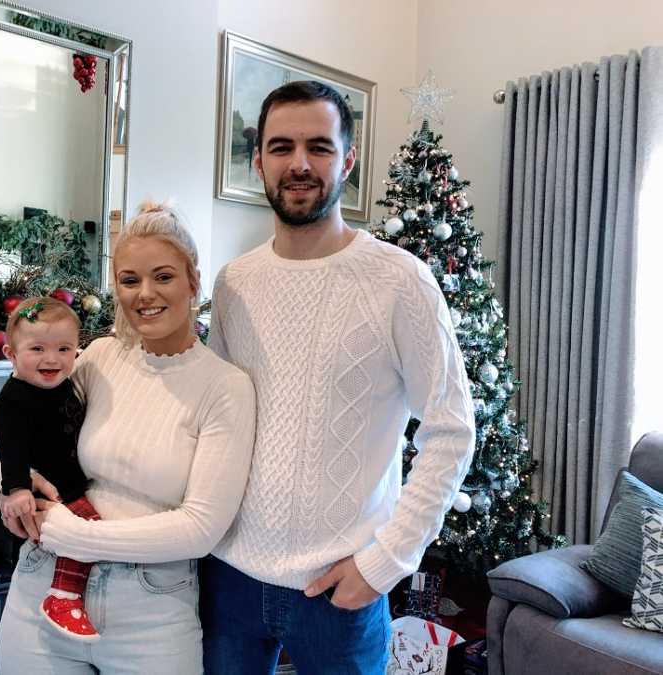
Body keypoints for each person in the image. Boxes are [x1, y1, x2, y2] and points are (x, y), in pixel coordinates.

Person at [202, 80, 476, 674]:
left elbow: (452, 431)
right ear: (258, 161)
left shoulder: (401, 281)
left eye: (319, 147)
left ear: (347, 160)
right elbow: (215, 420)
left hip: (340, 589)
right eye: (281, 147)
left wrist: (384, 564)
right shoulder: (233, 283)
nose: (299, 164)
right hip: (229, 578)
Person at [0, 202, 256, 674]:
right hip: (43, 581)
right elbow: (19, 424)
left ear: (194, 281)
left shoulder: (225, 387)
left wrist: (82, 536)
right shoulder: (99, 357)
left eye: (164, 277)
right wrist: (10, 483)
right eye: (130, 280)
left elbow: (201, 528)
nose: (145, 294)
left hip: (151, 611)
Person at [0, 296, 102, 641]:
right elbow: (10, 450)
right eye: (37, 349)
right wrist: (18, 488)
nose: (52, 359)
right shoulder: (13, 401)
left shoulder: (64, 382)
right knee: (88, 528)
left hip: (72, 479)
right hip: (53, 488)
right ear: (11, 354)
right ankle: (62, 597)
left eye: (64, 349)